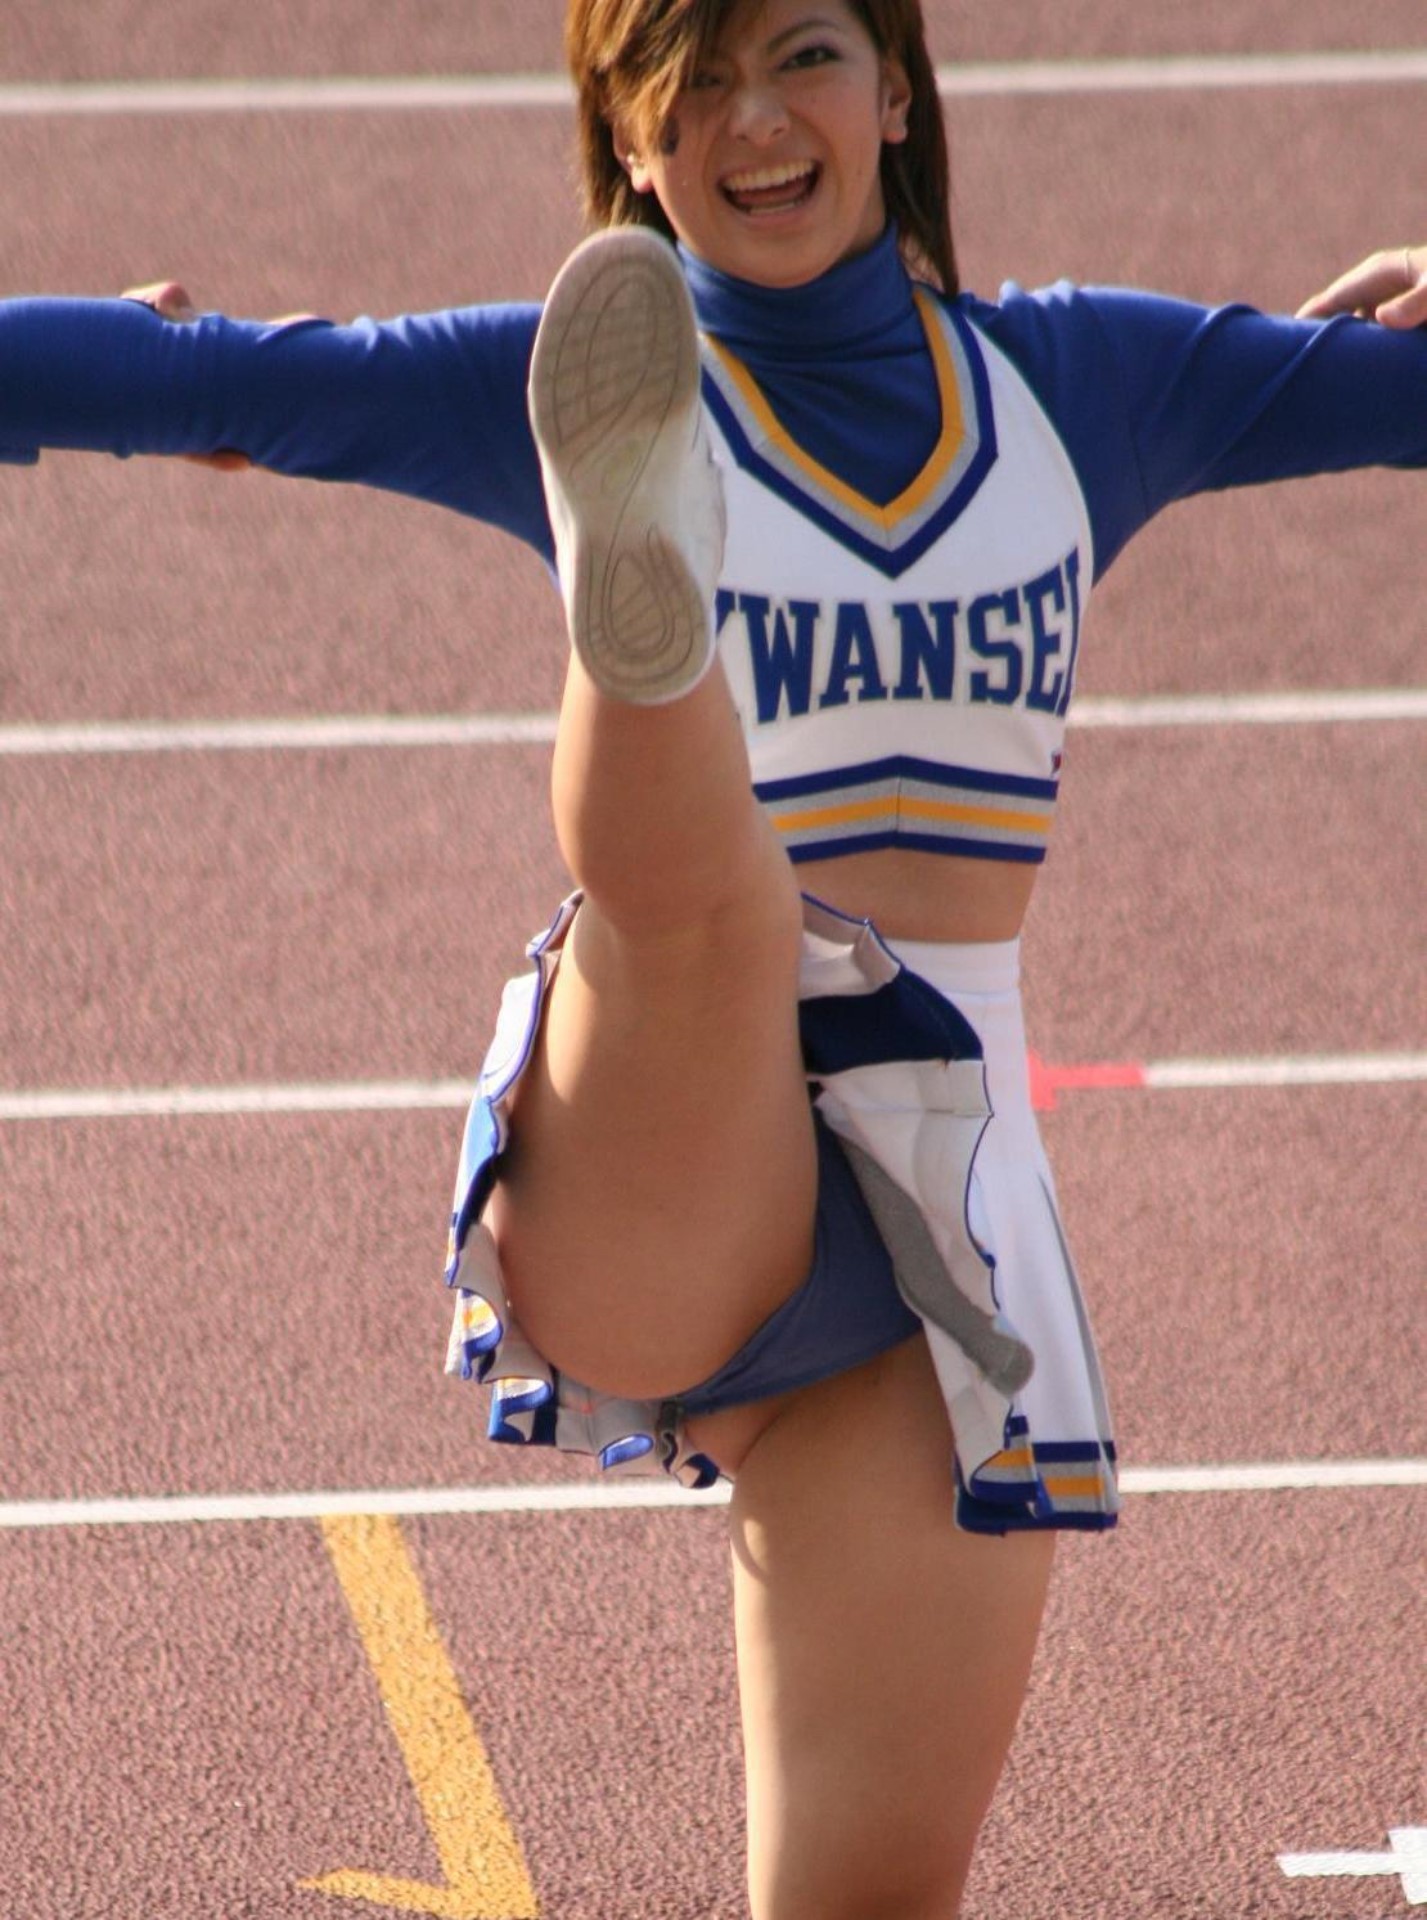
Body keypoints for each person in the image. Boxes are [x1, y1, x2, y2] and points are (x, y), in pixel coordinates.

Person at [3, 3, 1424, 1912]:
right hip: (664, 1134)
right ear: (627, 134)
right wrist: (119, 364)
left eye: (804, 55)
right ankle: (645, 594)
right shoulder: (556, 369)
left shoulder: (1084, 383)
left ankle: (657, 621)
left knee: (868, 1897)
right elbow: (218, 381)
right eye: (693, 80)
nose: (753, 119)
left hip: (941, 1241)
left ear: (897, 90)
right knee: (728, 909)